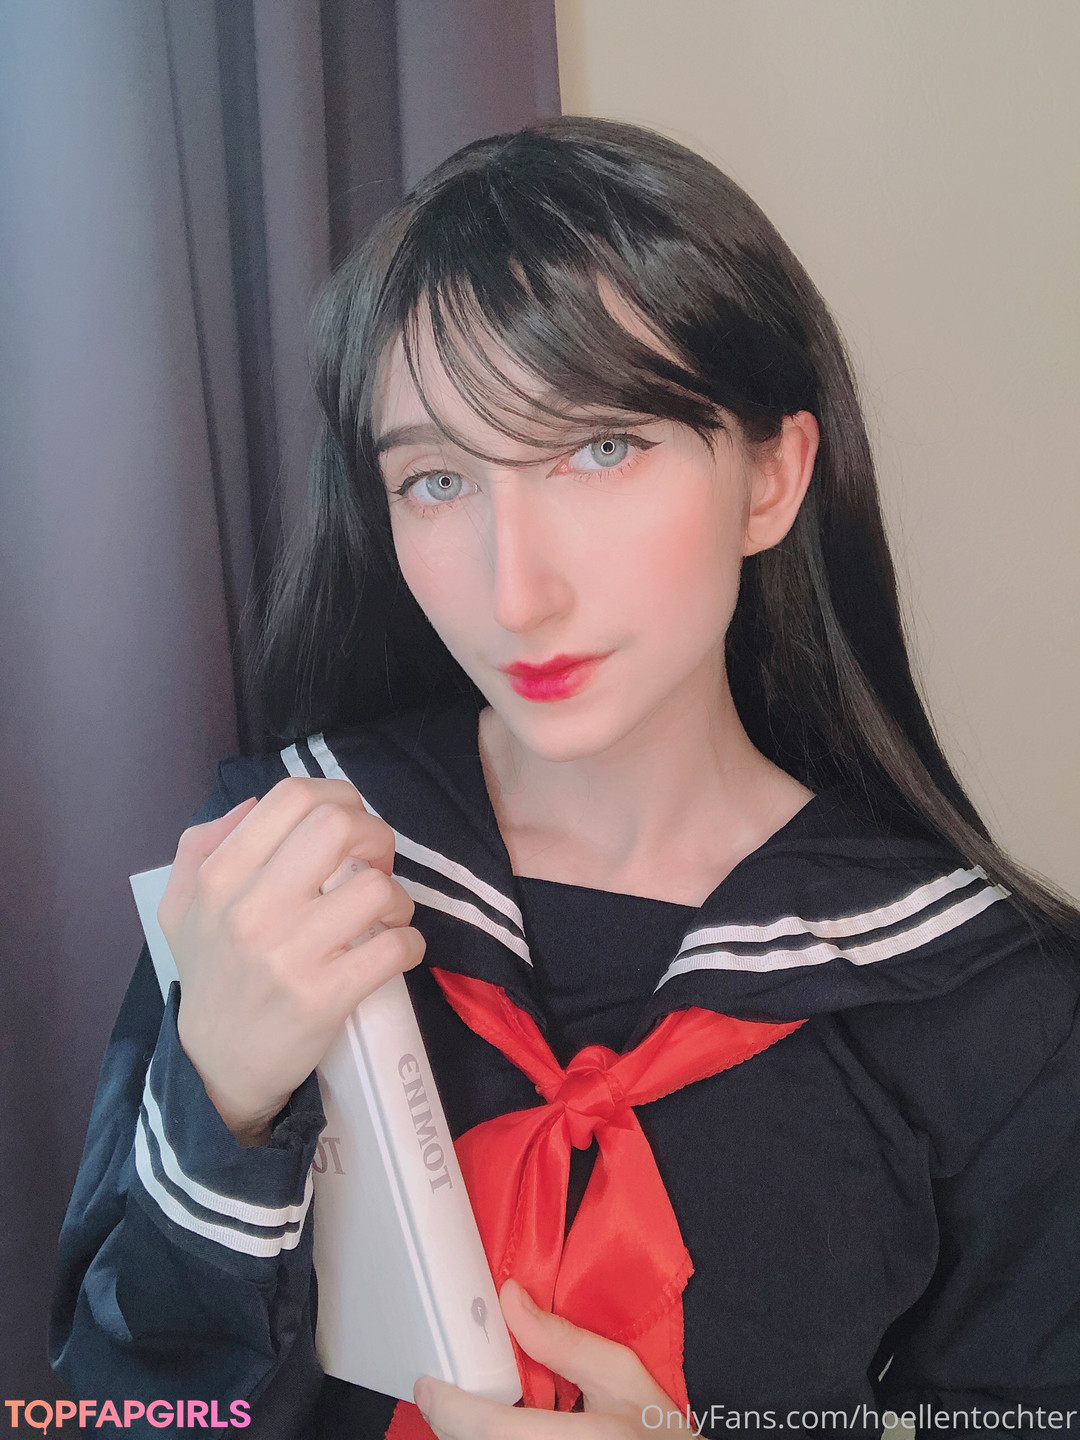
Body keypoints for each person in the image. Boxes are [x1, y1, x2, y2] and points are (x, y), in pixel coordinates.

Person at [51, 116, 1080, 1440]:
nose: (517, 591)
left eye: (600, 450)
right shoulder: (282, 867)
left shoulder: (984, 999)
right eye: (437, 479)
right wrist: (223, 1101)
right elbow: (104, 1411)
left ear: (771, 477)